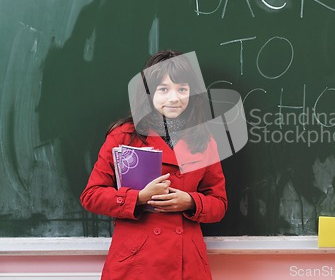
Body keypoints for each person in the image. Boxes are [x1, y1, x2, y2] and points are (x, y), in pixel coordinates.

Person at [80, 50, 227, 280]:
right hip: (136, 263)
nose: (174, 98)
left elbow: (219, 203)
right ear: (149, 93)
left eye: (182, 89)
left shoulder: (204, 139)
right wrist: (138, 198)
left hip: (186, 264)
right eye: (164, 89)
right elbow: (91, 196)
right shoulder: (124, 135)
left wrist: (190, 202)